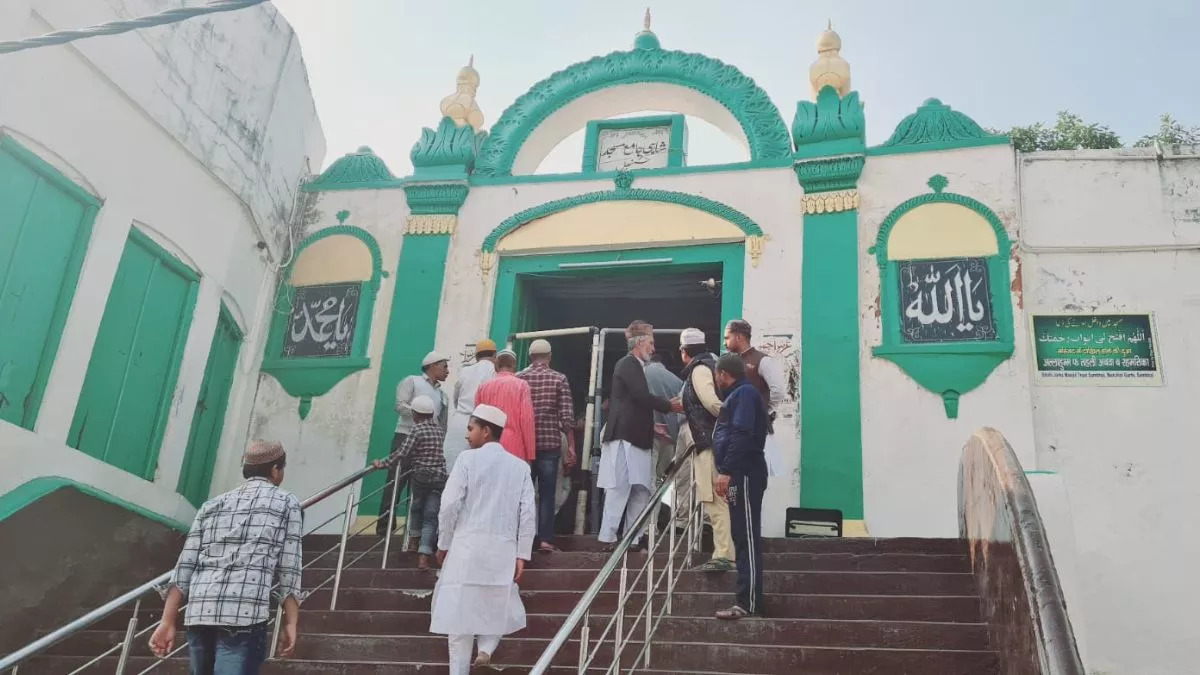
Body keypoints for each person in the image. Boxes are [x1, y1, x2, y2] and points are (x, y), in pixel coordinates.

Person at [149, 441, 302, 674]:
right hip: (244, 614)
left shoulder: (211, 505)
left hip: (200, 611)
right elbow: (289, 568)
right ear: (275, 469)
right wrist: (290, 622)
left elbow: (185, 565)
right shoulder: (287, 503)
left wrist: (167, 621)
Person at [431, 404, 536, 674]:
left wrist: (443, 543)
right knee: (495, 603)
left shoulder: (467, 460)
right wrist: (522, 553)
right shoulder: (520, 467)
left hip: (466, 547)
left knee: (460, 614)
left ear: (486, 431)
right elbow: (528, 513)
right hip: (502, 550)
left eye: (471, 428)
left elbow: (449, 504)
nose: (467, 434)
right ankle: (486, 649)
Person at [598, 321, 673, 551]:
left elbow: (633, 403)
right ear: (640, 343)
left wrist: (652, 426)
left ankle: (633, 537)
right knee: (620, 487)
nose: (653, 348)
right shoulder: (628, 364)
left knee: (641, 489)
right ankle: (609, 537)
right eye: (651, 342)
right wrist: (670, 405)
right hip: (625, 437)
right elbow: (641, 396)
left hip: (636, 437)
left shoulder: (634, 366)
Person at [671, 327, 735, 572]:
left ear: (684, 352)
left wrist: (732, 420)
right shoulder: (711, 365)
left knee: (714, 499)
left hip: (709, 443)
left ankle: (724, 554)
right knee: (720, 500)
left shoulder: (698, 370)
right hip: (713, 441)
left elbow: (712, 403)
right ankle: (725, 553)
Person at [711, 353, 770, 620]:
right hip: (740, 474)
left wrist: (726, 470)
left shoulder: (743, 394)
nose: (716, 379)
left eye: (716, 374)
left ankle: (749, 603)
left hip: (744, 473)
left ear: (723, 374)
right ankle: (746, 600)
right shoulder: (738, 395)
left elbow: (741, 433)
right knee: (741, 536)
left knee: (746, 537)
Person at [378, 351, 449, 536]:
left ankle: (413, 532)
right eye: (444, 366)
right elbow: (400, 405)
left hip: (427, 443)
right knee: (395, 482)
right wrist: (421, 415)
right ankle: (385, 529)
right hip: (405, 435)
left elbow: (442, 422)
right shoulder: (412, 381)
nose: (447, 371)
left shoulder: (442, 394)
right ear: (433, 365)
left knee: (420, 489)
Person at [373, 395, 447, 570]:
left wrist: (382, 463)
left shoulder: (417, 430)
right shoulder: (439, 430)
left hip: (421, 477)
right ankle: (424, 557)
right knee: (431, 517)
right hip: (439, 478)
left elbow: (402, 453)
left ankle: (413, 541)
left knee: (416, 508)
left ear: (415, 414)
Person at [517, 338, 576, 553]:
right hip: (550, 443)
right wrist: (571, 447)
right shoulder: (559, 378)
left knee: (523, 494)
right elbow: (567, 417)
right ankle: (544, 540)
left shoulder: (520, 379)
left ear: (530, 357)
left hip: (524, 445)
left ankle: (521, 539)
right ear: (550, 357)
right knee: (547, 494)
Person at [723, 320, 786, 477]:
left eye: (727, 338)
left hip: (755, 432)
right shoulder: (729, 362)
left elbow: (778, 390)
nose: (724, 343)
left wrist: (763, 411)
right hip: (734, 431)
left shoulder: (762, 360)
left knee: (754, 478)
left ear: (739, 337)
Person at [444, 339, 498, 472]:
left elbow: (456, 398)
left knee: (454, 466)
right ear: (495, 356)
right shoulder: (495, 372)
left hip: (460, 422)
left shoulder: (465, 371)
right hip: (483, 424)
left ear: (476, 356)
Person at [474, 350, 536, 463]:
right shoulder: (521, 385)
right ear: (514, 366)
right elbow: (527, 420)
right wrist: (530, 453)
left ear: (496, 366)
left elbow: (477, 420)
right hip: (514, 446)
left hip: (488, 444)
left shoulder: (483, 387)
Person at [644, 353, 684, 479]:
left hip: (648, 431)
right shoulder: (677, 381)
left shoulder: (642, 373)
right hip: (669, 435)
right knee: (662, 477)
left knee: (647, 476)